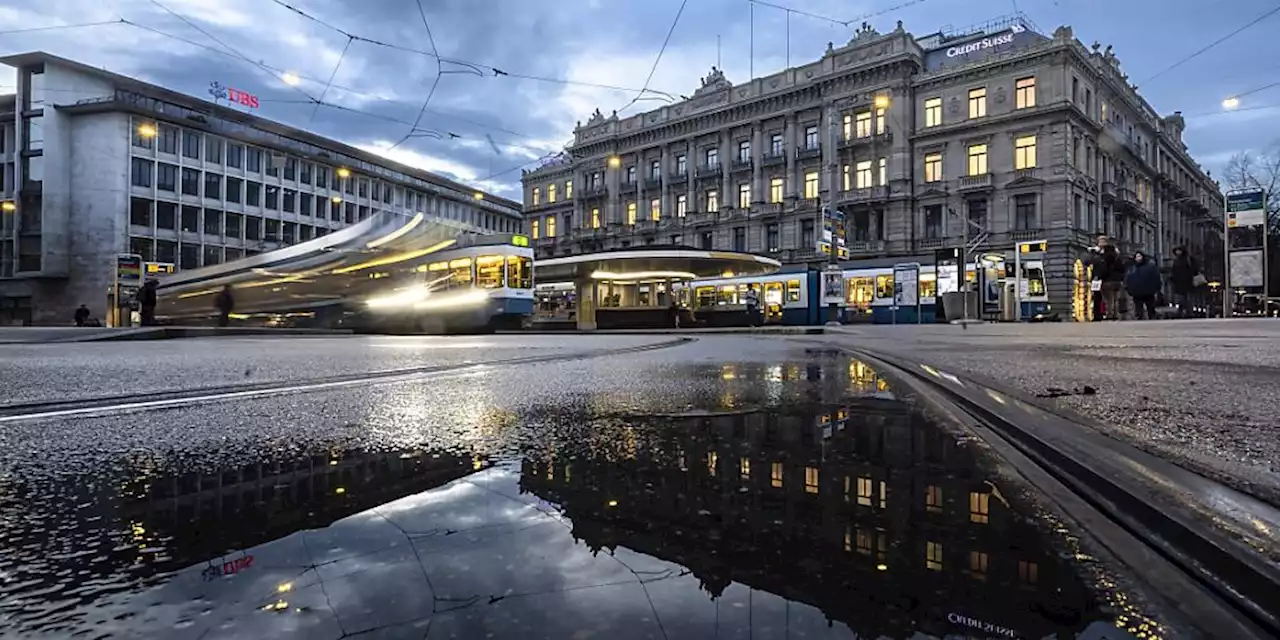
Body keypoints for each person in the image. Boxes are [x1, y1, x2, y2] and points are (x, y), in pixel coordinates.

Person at [1090, 236, 1124, 320]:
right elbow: (1122, 268)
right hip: (1117, 281)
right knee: (1115, 299)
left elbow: (1104, 268)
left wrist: (1099, 276)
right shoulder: (1116, 255)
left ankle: (1110, 315)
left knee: (1108, 299)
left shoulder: (1104, 255)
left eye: (1102, 241)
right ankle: (1115, 315)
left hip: (1107, 280)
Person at [1124, 251, 1161, 320]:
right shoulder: (1132, 268)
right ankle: (1139, 316)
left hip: (1148, 290)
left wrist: (1156, 288)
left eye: (1139, 256)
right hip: (1137, 291)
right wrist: (1128, 288)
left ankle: (1151, 316)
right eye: (1136, 257)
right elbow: (1128, 279)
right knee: (1138, 306)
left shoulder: (1150, 267)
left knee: (1150, 305)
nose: (1138, 258)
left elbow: (1156, 277)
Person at [1169, 246, 1200, 318]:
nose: (1177, 252)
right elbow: (1174, 272)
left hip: (1188, 282)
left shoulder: (1188, 259)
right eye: (1176, 251)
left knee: (1188, 298)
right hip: (1179, 283)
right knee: (1181, 299)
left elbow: (1195, 269)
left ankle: (1189, 312)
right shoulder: (1176, 261)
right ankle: (1181, 312)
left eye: (1179, 251)